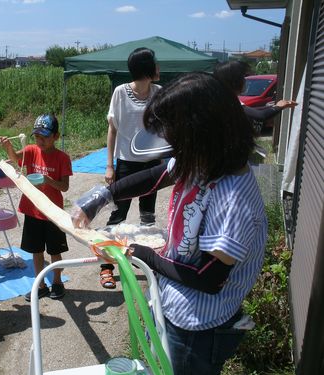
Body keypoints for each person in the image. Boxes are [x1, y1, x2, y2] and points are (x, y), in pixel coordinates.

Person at [72, 72, 268, 375]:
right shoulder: (201, 160)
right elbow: (154, 177)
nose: (171, 144)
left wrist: (142, 254)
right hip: (172, 305)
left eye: (174, 135)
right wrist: (102, 195)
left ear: (201, 131)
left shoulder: (234, 198)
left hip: (198, 326)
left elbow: (209, 279)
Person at [101, 47, 162, 289]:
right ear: (146, 68)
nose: (159, 68)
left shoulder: (159, 93)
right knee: (117, 215)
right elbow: (112, 129)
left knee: (148, 217)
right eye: (155, 64)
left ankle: (145, 261)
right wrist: (109, 165)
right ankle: (106, 266)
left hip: (152, 164)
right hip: (126, 163)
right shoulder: (120, 93)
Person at [0, 114, 72, 301]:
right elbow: (16, 158)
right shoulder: (31, 150)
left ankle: (57, 282)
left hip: (53, 213)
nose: (40, 141)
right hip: (32, 210)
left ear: (56, 136)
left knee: (55, 251)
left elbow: (64, 187)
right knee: (36, 251)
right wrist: (8, 147)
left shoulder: (62, 158)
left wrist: (47, 180)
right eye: (37, 136)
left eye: (45, 137)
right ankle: (40, 285)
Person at [213, 60, 297, 133]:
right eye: (243, 77)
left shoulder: (222, 97)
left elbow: (251, 111)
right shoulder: (229, 101)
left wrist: (274, 106)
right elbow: (260, 115)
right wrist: (279, 106)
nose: (245, 80)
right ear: (235, 80)